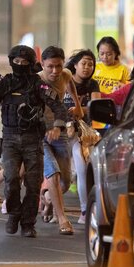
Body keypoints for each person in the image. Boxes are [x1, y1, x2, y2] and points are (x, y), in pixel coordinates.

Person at [0, 45, 69, 238]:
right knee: (11, 178)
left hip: (33, 140)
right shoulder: (6, 83)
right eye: (17, 62)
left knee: (33, 184)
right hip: (10, 140)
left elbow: (59, 107)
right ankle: (14, 214)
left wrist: (57, 127)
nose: (20, 65)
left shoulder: (38, 84)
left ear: (31, 64)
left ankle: (28, 223)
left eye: (25, 62)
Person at [37, 46, 84, 235]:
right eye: (50, 67)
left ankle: (47, 197)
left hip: (61, 131)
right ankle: (63, 219)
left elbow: (70, 84)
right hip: (40, 134)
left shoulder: (65, 74)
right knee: (53, 174)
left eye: (58, 66)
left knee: (65, 181)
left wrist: (78, 105)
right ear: (42, 64)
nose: (55, 71)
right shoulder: (36, 81)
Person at [63, 49, 100, 224]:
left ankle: (85, 210)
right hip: (60, 131)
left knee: (82, 169)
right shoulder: (63, 80)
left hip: (82, 134)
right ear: (75, 65)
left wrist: (80, 110)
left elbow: (96, 107)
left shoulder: (93, 85)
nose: (87, 67)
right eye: (83, 63)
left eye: (90, 64)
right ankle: (46, 200)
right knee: (60, 175)